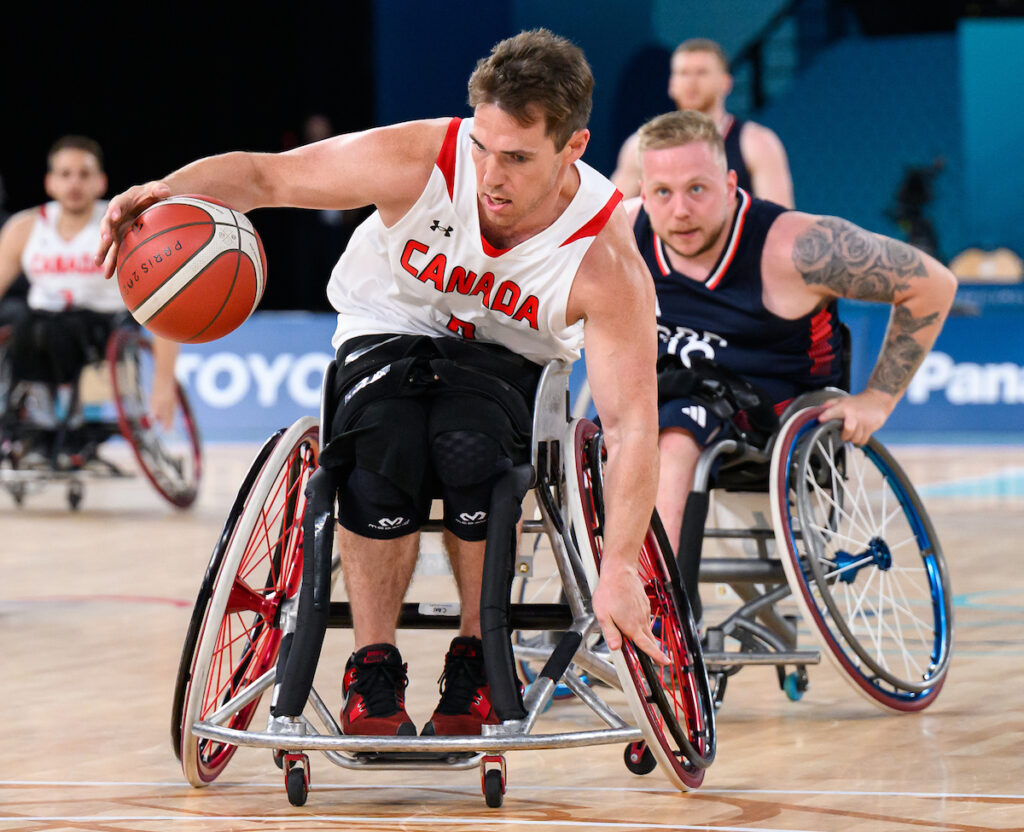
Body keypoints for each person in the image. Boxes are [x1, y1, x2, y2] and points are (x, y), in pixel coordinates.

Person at [96, 29, 667, 738]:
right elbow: (269, 178)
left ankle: (477, 654)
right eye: (483, 147)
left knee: (469, 452)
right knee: (380, 449)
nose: (491, 176)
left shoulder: (603, 258)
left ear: (573, 148)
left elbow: (632, 426)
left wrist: (620, 566)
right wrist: (164, 192)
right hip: (387, 323)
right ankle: (373, 664)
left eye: (518, 158)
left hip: (506, 356)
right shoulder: (422, 158)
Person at [626, 110, 956, 621]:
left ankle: (659, 615)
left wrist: (878, 399)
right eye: (663, 193)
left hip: (776, 419)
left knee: (674, 429)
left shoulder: (797, 247)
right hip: (672, 395)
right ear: (643, 193)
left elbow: (932, 284)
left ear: (730, 185)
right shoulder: (623, 233)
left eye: (697, 189)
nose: (680, 210)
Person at [0, 136, 179, 446]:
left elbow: (162, 302)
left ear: (101, 182)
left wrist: (164, 381)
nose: (74, 183)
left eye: (84, 174)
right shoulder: (24, 228)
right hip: (39, 327)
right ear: (50, 183)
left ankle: (63, 423)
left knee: (58, 331)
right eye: (65, 174)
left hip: (102, 328)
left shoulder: (124, 228)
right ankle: (33, 419)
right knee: (22, 323)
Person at [612, 38, 794, 207]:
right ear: (671, 85)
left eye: (701, 73)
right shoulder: (640, 147)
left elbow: (780, 221)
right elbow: (608, 215)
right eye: (683, 73)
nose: (691, 82)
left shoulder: (757, 143)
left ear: (726, 82)